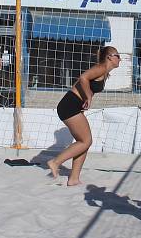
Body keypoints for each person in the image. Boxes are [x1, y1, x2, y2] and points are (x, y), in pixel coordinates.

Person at [47, 46, 121, 186]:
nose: (120, 59)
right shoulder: (101, 68)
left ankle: (74, 178)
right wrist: (88, 97)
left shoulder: (105, 72)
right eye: (117, 55)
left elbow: (83, 83)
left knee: (84, 142)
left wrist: (85, 99)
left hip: (73, 105)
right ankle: (55, 162)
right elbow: (83, 78)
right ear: (110, 57)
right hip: (69, 105)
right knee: (85, 141)